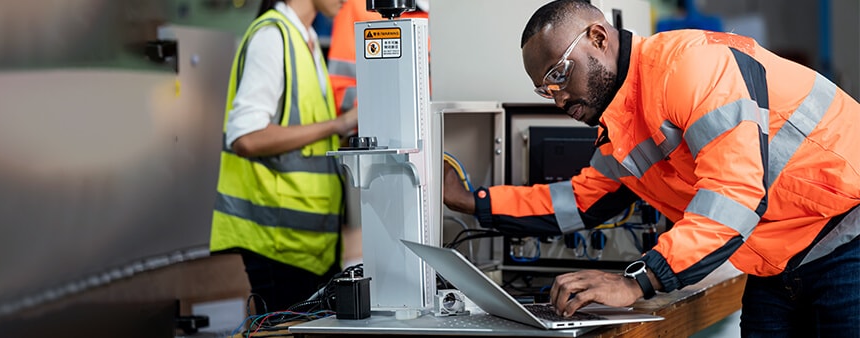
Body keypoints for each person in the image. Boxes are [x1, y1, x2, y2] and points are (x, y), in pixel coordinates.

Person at [441, 1, 860, 336]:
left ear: (598, 37)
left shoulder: (691, 67)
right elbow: (578, 202)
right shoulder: (621, 125)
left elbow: (734, 194)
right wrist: (472, 201)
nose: (558, 99)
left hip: (846, 241)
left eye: (559, 75)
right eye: (545, 88)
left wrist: (637, 281)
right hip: (777, 264)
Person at [210, 0, 357, 314]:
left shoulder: (306, 39)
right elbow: (246, 137)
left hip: (312, 244)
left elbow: (307, 139)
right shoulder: (271, 36)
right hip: (276, 242)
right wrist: (337, 124)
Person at [327, 0, 428, 113]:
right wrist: (379, 107)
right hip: (369, 124)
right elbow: (341, 91)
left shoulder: (444, 13)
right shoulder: (355, 5)